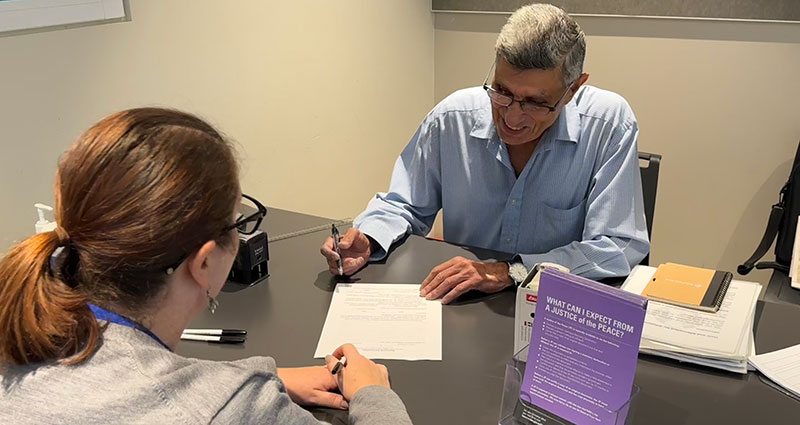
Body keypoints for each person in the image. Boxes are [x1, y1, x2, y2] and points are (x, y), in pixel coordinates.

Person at [0, 108, 412, 424]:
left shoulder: (20, 328)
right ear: (204, 263)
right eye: (239, 222)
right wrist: (373, 394)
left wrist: (257, 380)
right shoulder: (229, 411)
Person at [321, 3, 649, 304]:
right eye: (502, 91)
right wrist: (369, 238)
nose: (512, 117)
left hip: (556, 310)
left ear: (573, 89)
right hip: (465, 306)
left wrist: (511, 271)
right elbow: (404, 204)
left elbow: (617, 246)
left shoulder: (609, 125)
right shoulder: (452, 118)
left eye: (535, 103)